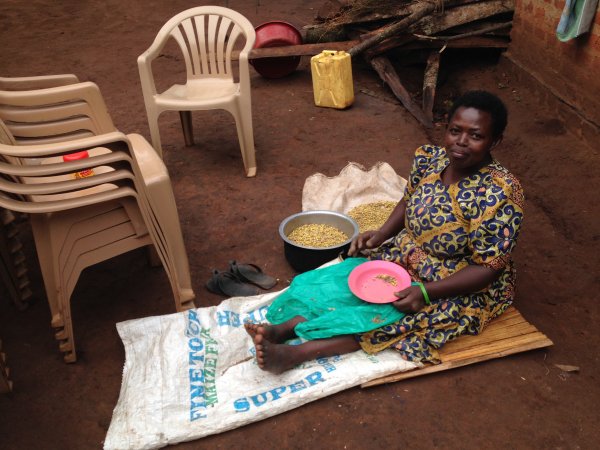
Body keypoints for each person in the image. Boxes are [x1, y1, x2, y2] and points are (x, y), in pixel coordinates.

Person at [245, 90, 524, 374]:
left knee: (388, 317)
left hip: (455, 282)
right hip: (405, 256)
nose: (461, 142)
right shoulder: (432, 159)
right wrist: (381, 234)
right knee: (345, 285)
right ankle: (284, 329)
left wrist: (425, 293)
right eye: (455, 131)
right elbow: (408, 200)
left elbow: (488, 268)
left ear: (495, 141)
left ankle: (295, 355)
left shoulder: (499, 193)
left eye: (475, 136)